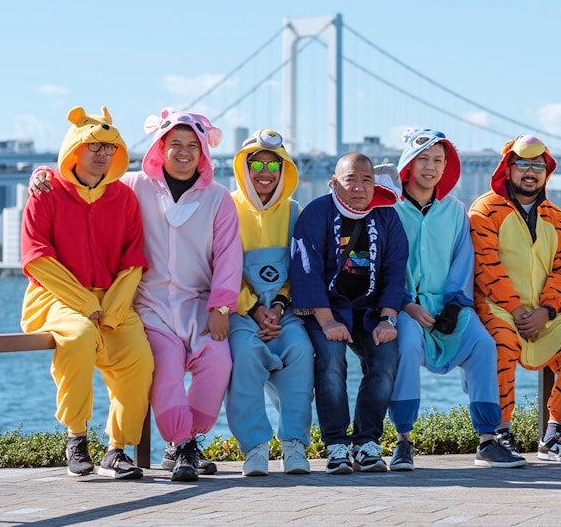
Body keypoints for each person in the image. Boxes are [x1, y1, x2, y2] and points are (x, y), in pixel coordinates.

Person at [29, 108, 241, 482]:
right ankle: (178, 443)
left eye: (193, 145)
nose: (184, 151)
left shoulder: (219, 198)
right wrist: (41, 172)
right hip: (149, 304)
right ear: (160, 146)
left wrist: (221, 306)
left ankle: (186, 440)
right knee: (164, 367)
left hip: (198, 303)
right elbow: (83, 177)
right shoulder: (132, 185)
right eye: (175, 143)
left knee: (218, 364)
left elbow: (228, 255)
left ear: (205, 151)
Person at [20, 107, 153, 479]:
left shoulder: (124, 198)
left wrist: (110, 307)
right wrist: (84, 303)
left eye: (110, 148)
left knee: (139, 358)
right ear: (73, 149)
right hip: (55, 297)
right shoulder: (46, 192)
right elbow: (36, 257)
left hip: (113, 300)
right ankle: (76, 437)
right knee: (77, 338)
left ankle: (117, 449)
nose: (102, 154)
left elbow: (133, 258)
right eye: (93, 145)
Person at [387, 129, 525, 470]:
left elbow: (464, 261)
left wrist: (455, 304)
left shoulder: (455, 211)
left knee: (484, 345)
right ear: (408, 162)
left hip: (449, 306)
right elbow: (384, 266)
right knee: (405, 346)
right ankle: (403, 441)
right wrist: (406, 304)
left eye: (438, 160)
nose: (430, 167)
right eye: (423, 159)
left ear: (447, 166)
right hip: (405, 307)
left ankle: (488, 441)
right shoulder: (389, 209)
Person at [469, 135, 561, 463]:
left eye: (538, 166)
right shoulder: (485, 209)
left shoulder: (556, 216)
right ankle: (497, 435)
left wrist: (548, 310)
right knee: (500, 345)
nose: (531, 172)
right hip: (497, 307)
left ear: (547, 172)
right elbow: (484, 265)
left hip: (544, 312)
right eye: (523, 164)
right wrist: (515, 309)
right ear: (507, 169)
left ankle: (555, 436)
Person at [290, 153, 407, 474]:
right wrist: (327, 322)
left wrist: (388, 319)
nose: (359, 187)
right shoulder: (317, 213)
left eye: (366, 179)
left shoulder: (386, 216)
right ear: (334, 183)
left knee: (385, 360)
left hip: (370, 311)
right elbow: (306, 269)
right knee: (330, 363)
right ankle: (336, 444)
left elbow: (396, 271)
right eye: (350, 179)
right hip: (326, 309)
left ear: (375, 183)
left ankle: (368, 442)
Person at [226, 129, 314, 475]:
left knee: (301, 352)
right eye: (256, 164)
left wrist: (277, 306)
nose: (264, 172)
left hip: (284, 312)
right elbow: (220, 267)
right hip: (239, 311)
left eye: (272, 165)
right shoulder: (226, 207)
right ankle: (255, 448)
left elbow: (302, 268)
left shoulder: (296, 212)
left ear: (284, 169)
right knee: (245, 355)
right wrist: (252, 308)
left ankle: (294, 445)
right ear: (242, 169)